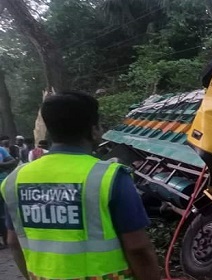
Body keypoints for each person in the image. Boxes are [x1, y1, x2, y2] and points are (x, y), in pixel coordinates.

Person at [1, 91, 160, 279]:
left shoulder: (14, 180)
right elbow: (137, 248)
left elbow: (13, 242)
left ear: (49, 131)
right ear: (94, 130)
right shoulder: (110, 177)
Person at [0, 142, 17, 249]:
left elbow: (13, 162)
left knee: (4, 215)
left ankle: (6, 240)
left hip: (3, 184)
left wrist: (1, 165)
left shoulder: (1, 150)